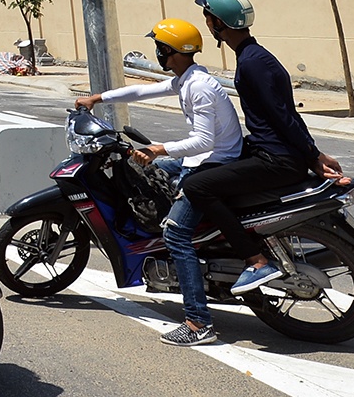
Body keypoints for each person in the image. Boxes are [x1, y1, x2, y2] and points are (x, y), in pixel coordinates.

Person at [75, 18, 243, 347]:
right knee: (149, 167)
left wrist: (158, 149)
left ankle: (198, 323)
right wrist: (98, 98)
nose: (157, 53)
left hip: (213, 163)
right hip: (203, 158)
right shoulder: (189, 78)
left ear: (168, 50)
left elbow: (204, 141)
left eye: (160, 48)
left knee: (176, 233)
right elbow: (143, 90)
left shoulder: (198, 87)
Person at [181, 0, 347, 299]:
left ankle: (255, 260)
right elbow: (286, 116)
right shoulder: (253, 56)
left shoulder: (253, 63)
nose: (206, 22)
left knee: (197, 186)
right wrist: (312, 154)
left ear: (217, 23)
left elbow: (283, 116)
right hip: (273, 152)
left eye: (207, 17)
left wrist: (312, 155)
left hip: (276, 160)